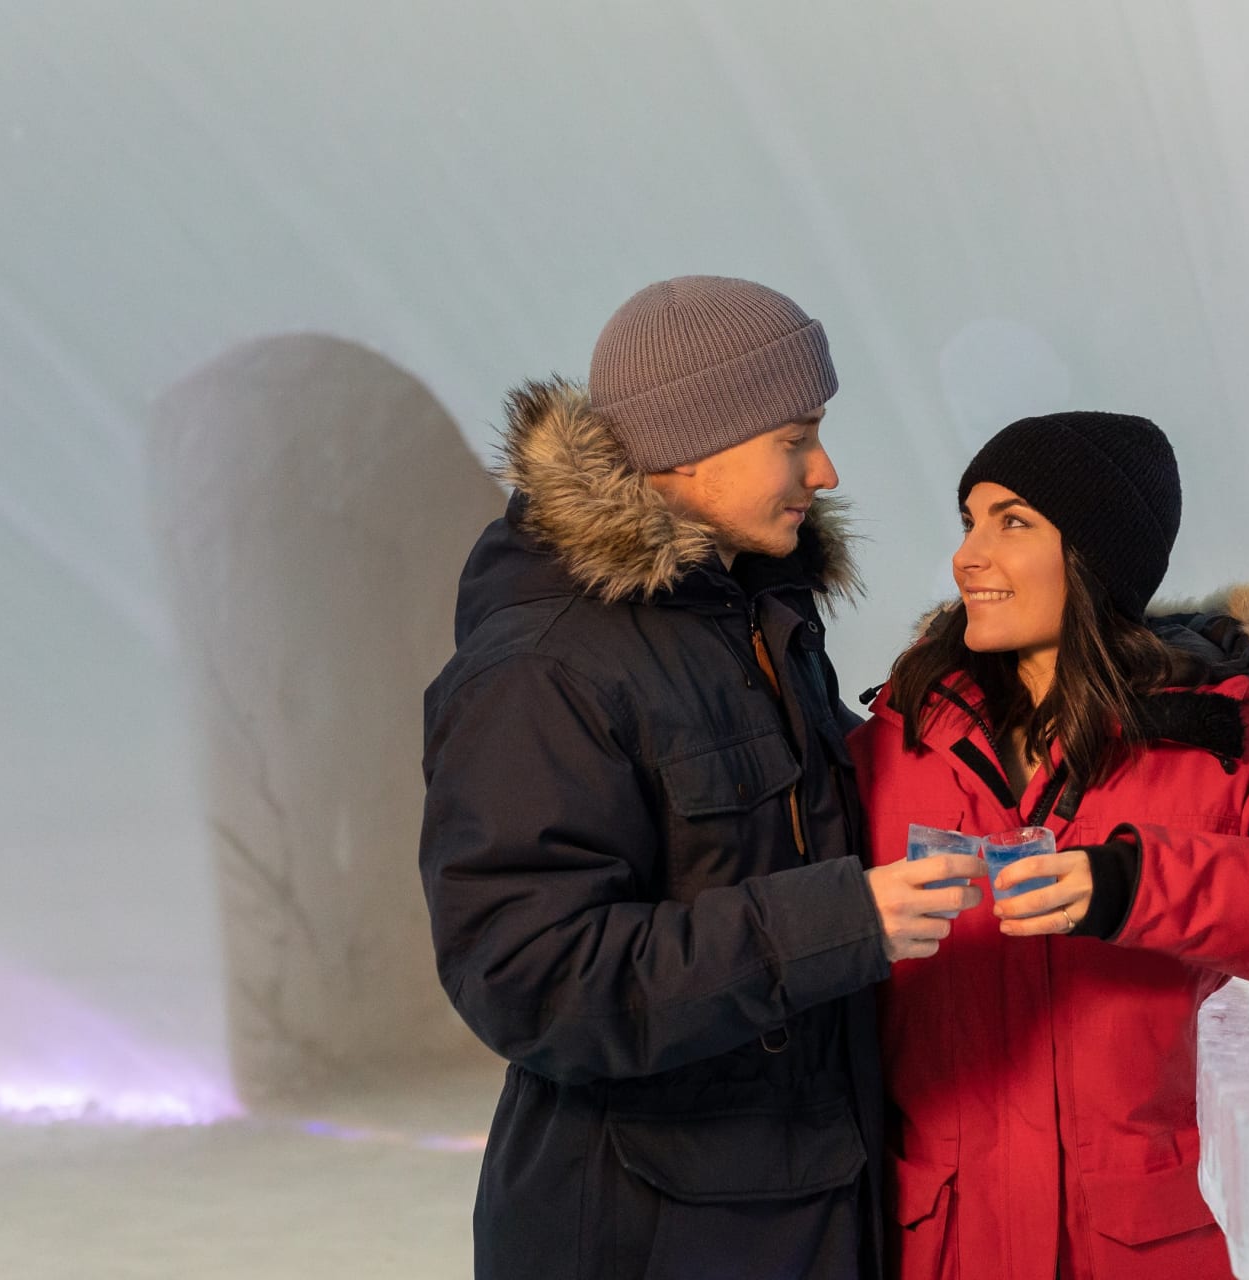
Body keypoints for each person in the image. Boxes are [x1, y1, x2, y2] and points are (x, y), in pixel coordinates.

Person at [418, 276, 984, 1280]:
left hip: (799, 1209)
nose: (824, 467)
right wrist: (838, 921)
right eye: (794, 436)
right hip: (647, 1234)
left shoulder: (750, 615)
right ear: (691, 444)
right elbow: (532, 976)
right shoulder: (542, 668)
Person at [847, 411, 1249, 1279]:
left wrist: (1138, 884)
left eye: (1012, 522)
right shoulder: (892, 742)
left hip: (1144, 1245)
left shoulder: (1223, 742)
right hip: (936, 1241)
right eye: (968, 521)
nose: (970, 555)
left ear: (1094, 556)